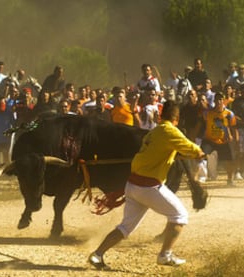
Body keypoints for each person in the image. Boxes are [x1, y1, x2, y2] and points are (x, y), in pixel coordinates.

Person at [88, 100, 206, 270]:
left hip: (133, 185)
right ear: (177, 118)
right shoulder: (170, 131)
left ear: (161, 115)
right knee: (180, 216)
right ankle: (165, 255)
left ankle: (97, 255)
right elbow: (190, 147)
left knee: (125, 227)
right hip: (148, 187)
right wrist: (201, 153)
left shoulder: (154, 132)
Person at [200, 93, 237, 186]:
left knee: (229, 160)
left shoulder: (229, 114)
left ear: (224, 101)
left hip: (223, 140)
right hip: (210, 139)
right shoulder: (207, 113)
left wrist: (235, 137)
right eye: (216, 99)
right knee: (201, 155)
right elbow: (202, 122)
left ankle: (230, 179)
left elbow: (233, 126)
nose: (218, 101)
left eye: (221, 99)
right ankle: (200, 177)